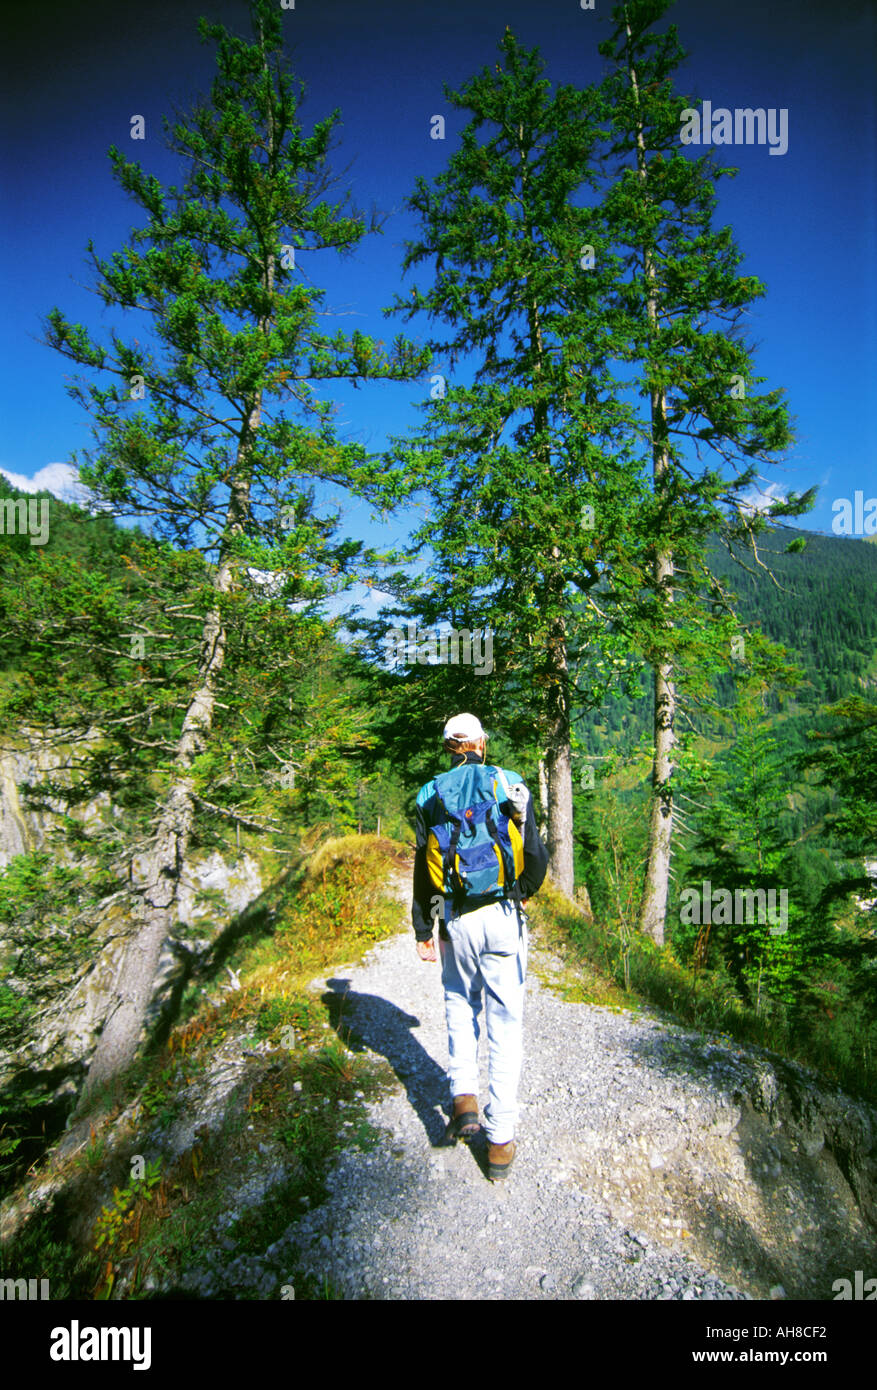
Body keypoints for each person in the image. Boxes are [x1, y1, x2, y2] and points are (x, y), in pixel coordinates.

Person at [412, 712, 549, 1180]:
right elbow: (535, 857)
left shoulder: (430, 795)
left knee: (458, 1001)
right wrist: (523, 888)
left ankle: (464, 1098)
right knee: (505, 1024)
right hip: (503, 916)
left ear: (450, 747)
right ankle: (500, 1143)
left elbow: (420, 869)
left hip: (455, 918)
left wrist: (423, 930)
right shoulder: (508, 784)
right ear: (481, 744)